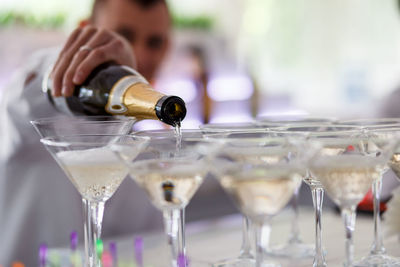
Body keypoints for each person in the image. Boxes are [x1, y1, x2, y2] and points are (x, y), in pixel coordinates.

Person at [0, 0, 171, 265]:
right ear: (85, 34)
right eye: (123, 36)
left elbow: (145, 251)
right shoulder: (39, 119)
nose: (138, 55)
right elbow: (22, 99)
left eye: (154, 42)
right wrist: (74, 68)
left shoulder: (145, 147)